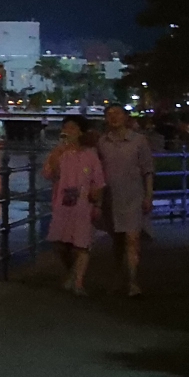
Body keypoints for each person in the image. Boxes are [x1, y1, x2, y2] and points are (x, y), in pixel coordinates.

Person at [95, 103, 155, 297]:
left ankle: (133, 281)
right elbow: (95, 170)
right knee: (118, 241)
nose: (113, 117)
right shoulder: (102, 142)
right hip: (111, 198)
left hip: (133, 197)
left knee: (132, 239)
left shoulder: (139, 141)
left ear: (126, 117)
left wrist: (148, 196)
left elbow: (148, 170)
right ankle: (118, 276)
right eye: (109, 114)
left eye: (118, 113)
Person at [42, 115, 105, 295]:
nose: (68, 131)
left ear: (80, 132)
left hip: (84, 204)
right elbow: (49, 174)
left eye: (72, 127)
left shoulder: (90, 154)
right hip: (62, 203)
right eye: (65, 127)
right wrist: (57, 153)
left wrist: (98, 204)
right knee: (60, 244)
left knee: (81, 244)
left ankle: (78, 282)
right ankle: (72, 273)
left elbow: (98, 181)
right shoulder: (58, 153)